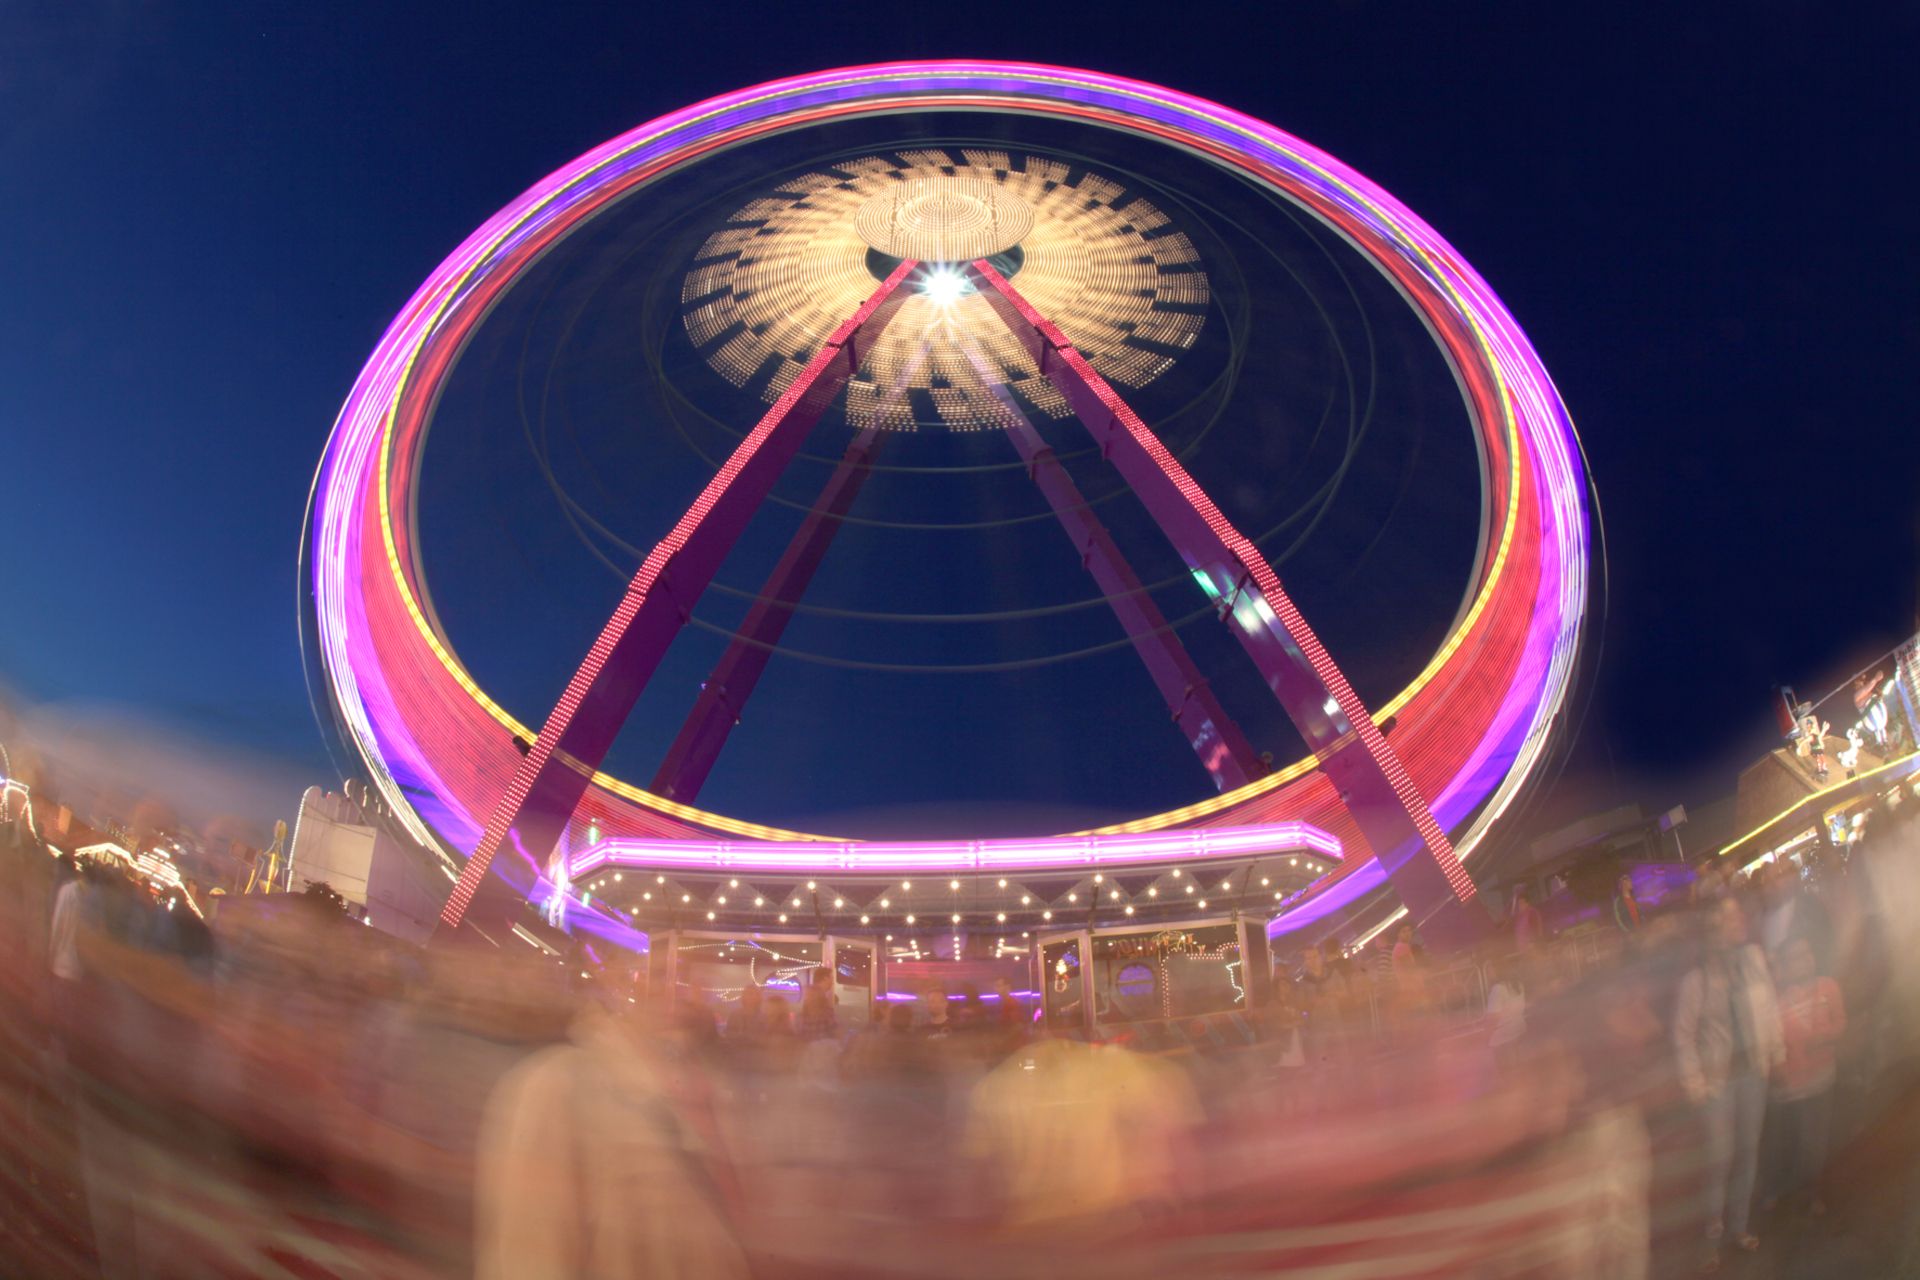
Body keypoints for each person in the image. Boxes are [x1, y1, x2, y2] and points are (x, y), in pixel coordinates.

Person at [1674, 896, 1784, 1270]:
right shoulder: (1697, 979)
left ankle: (1738, 1226)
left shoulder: (1752, 959)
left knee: (1748, 1152)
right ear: (1713, 928)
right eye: (1728, 916)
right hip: (1718, 1083)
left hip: (1753, 1073)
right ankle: (1711, 1238)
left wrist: (1775, 1051)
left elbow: (1769, 1005)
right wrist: (1696, 1084)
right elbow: (1684, 1036)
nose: (1738, 920)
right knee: (1720, 1160)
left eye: (1739, 913)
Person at [1768, 936, 1845, 1215]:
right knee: (1788, 1140)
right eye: (1796, 957)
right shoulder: (1775, 1000)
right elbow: (1771, 1041)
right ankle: (1779, 1188)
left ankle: (1814, 1193)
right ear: (1785, 966)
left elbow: (1840, 1023)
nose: (1803, 961)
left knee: (1816, 1140)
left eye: (1807, 954)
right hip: (1789, 1085)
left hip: (1821, 1079)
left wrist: (1824, 1037)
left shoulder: (1828, 987)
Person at [1511, 885, 1547, 953]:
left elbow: (1537, 929)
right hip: (1523, 950)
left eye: (1522, 903)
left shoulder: (1532, 913)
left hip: (1533, 949)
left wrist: (1533, 943)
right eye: (1519, 904)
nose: (1520, 905)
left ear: (1527, 903)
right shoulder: (1519, 916)